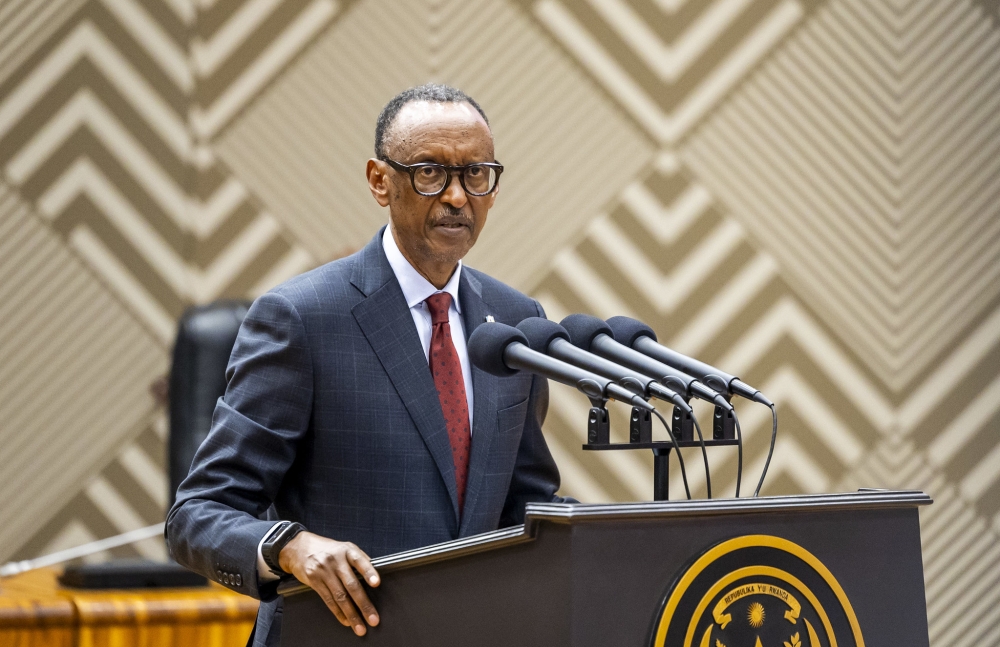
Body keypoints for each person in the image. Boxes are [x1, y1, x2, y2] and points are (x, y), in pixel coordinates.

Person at [166, 84, 567, 647]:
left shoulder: (515, 322)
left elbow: (525, 502)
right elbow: (197, 515)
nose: (457, 196)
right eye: (430, 173)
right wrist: (291, 547)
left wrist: (605, 539)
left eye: (476, 174)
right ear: (380, 181)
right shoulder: (301, 318)